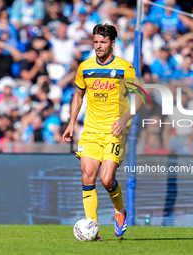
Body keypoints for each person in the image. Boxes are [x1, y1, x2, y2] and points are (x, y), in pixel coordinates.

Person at [62, 23, 143, 241]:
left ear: (113, 43)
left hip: (114, 132)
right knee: (88, 177)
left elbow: (140, 97)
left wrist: (124, 118)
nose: (98, 46)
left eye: (103, 42)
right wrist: (71, 123)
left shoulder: (125, 68)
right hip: (90, 131)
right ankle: (93, 230)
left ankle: (120, 211)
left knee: (107, 179)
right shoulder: (85, 67)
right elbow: (78, 95)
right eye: (96, 42)